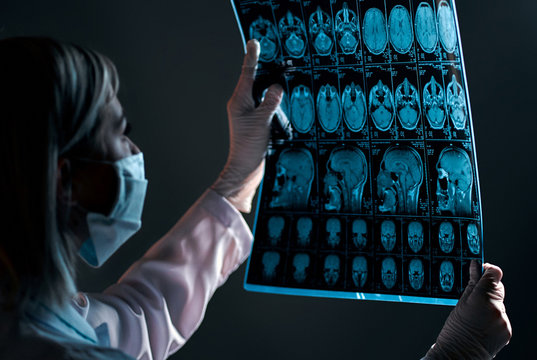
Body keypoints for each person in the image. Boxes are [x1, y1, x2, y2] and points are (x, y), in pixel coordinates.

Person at [0, 37, 510, 359]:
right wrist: (459, 353)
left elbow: (134, 319)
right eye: (120, 131)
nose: (134, 150)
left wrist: (237, 177)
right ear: (64, 180)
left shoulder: (31, 316)